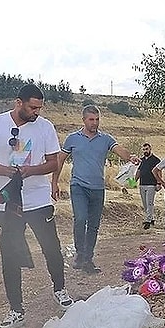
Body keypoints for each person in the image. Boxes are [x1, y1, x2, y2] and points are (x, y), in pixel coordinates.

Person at [0, 84, 73, 328]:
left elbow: (53, 163)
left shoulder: (45, 127)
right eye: (32, 107)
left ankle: (60, 290)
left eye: (40, 108)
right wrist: (9, 172)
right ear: (18, 102)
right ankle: (16, 309)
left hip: (39, 200)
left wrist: (31, 171)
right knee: (9, 256)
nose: (36, 112)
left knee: (51, 248)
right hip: (7, 202)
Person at [52, 104, 139, 274]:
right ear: (84, 120)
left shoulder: (105, 139)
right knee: (80, 218)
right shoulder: (72, 139)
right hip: (78, 186)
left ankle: (88, 260)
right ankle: (79, 252)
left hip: (98, 188)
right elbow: (60, 160)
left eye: (97, 119)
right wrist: (54, 182)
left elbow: (118, 149)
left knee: (93, 225)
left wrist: (131, 157)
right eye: (91, 119)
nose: (95, 123)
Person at [135, 143, 161, 229]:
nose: (145, 151)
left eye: (146, 149)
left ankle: (148, 221)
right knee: (145, 204)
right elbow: (138, 171)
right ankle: (151, 218)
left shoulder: (156, 160)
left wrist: (159, 183)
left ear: (150, 149)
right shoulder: (141, 160)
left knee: (149, 202)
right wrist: (134, 181)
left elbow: (159, 172)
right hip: (142, 184)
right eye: (144, 149)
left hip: (151, 184)